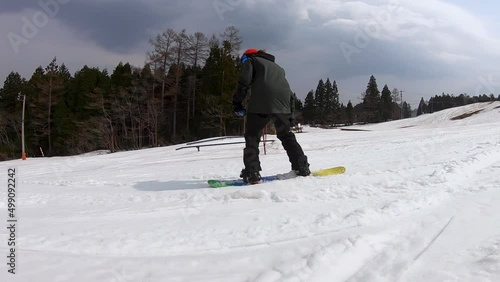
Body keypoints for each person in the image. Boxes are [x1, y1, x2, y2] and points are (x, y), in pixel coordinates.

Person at [233, 48, 311, 184]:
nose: (243, 63)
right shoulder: (278, 68)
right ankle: (302, 166)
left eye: (243, 60)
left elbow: (244, 82)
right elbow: (289, 92)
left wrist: (237, 104)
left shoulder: (251, 60)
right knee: (286, 135)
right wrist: (290, 113)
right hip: (283, 105)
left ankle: (252, 173)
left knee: (252, 136)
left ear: (249, 56)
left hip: (261, 103)